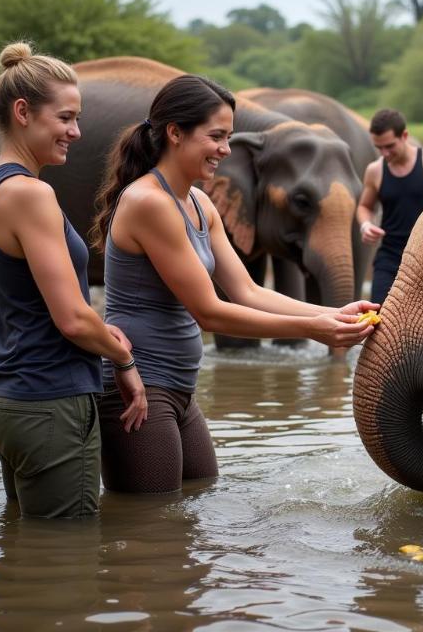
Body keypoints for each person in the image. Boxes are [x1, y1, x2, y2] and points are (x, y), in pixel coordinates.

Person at [91, 74, 377, 493]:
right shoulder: (149, 203)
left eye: (229, 137)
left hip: (180, 388)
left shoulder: (199, 202)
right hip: (140, 390)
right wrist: (311, 329)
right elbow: (208, 312)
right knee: (149, 532)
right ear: (175, 133)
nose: (226, 149)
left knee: (198, 503)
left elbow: (247, 291)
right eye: (217, 136)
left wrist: (331, 313)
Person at [0, 42, 147, 519]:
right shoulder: (30, 195)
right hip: (52, 400)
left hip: (11, 400)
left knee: (29, 554)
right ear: (23, 112)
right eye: (65, 118)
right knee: (70, 561)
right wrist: (123, 359)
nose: (75, 132)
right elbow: (73, 320)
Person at [356, 109, 423, 304]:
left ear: (405, 136)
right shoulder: (375, 170)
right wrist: (365, 225)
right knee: (376, 317)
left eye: (389, 146)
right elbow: (364, 207)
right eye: (379, 148)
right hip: (389, 257)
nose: (384, 153)